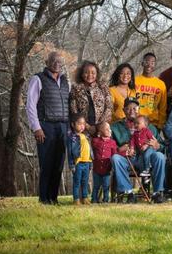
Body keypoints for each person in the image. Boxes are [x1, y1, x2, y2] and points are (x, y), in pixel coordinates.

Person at [26, 51, 71, 205]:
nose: (57, 63)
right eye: (53, 60)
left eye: (59, 61)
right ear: (47, 62)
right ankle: (44, 199)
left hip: (63, 126)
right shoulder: (37, 79)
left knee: (59, 165)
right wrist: (36, 127)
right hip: (46, 126)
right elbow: (30, 105)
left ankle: (53, 198)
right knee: (46, 164)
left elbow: (69, 106)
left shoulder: (65, 81)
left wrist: (70, 128)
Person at [110, 98, 169, 203]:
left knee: (159, 156)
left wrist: (157, 145)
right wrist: (119, 149)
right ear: (123, 110)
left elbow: (163, 146)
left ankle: (157, 193)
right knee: (115, 158)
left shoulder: (149, 126)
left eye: (135, 108)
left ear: (138, 109)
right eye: (128, 108)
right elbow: (109, 146)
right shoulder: (115, 127)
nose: (132, 110)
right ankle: (129, 192)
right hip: (128, 159)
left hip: (147, 159)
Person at [69, 60, 113, 137]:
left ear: (97, 74)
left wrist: (99, 126)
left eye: (93, 73)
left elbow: (109, 106)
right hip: (82, 128)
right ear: (82, 74)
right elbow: (73, 110)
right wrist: (87, 126)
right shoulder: (76, 88)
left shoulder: (103, 87)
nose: (90, 75)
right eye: (86, 72)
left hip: (101, 128)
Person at [134, 53, 168, 130]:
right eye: (147, 62)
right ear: (142, 63)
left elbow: (163, 106)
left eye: (152, 63)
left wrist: (161, 123)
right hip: (136, 122)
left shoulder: (160, 84)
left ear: (155, 65)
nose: (149, 65)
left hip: (153, 123)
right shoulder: (135, 81)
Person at [65, 114, 93, 205]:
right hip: (78, 163)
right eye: (79, 124)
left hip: (87, 162)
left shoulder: (86, 136)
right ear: (73, 124)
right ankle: (76, 199)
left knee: (85, 182)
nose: (82, 126)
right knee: (77, 182)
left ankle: (84, 198)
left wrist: (91, 162)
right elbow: (69, 152)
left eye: (83, 124)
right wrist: (71, 164)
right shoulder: (72, 138)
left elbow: (89, 149)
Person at [91, 122, 118, 204]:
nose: (109, 130)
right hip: (97, 169)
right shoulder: (95, 141)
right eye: (106, 129)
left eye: (109, 129)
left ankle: (105, 199)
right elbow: (92, 151)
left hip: (107, 169)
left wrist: (113, 166)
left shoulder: (112, 142)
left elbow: (114, 155)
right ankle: (94, 199)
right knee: (96, 186)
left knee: (106, 186)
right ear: (100, 131)